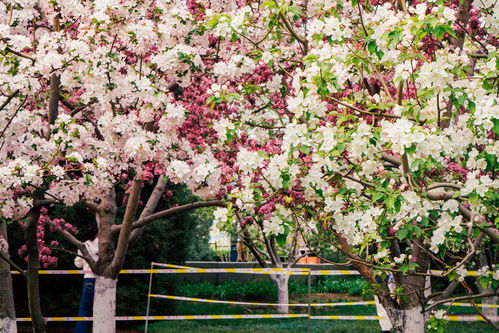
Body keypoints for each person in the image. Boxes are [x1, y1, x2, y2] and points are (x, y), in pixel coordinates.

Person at [74, 221, 99, 333]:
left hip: (88, 278)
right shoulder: (103, 244)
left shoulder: (84, 245)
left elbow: (77, 264)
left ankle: (80, 331)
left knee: (84, 308)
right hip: (102, 279)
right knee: (100, 307)